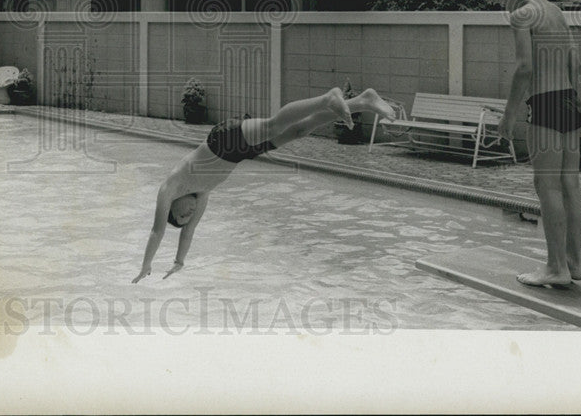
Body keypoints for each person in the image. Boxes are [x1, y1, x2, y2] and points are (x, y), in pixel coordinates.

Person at [132, 86, 396, 283]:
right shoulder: (201, 195)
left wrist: (146, 265)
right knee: (299, 131)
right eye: (185, 217)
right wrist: (179, 261)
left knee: (274, 126)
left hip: (224, 139)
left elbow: (157, 232)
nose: (187, 214)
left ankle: (328, 98)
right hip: (239, 153)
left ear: (172, 206)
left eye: (180, 213)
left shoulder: (170, 187)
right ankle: (363, 101)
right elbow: (187, 232)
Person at [487, 0, 581, 287]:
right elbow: (575, 62)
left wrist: (508, 116)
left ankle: (555, 267)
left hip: (545, 105)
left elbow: (525, 69)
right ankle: (574, 263)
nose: (500, 1)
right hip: (570, 102)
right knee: (570, 183)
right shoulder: (556, 12)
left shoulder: (522, 15)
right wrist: (573, 100)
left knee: (546, 187)